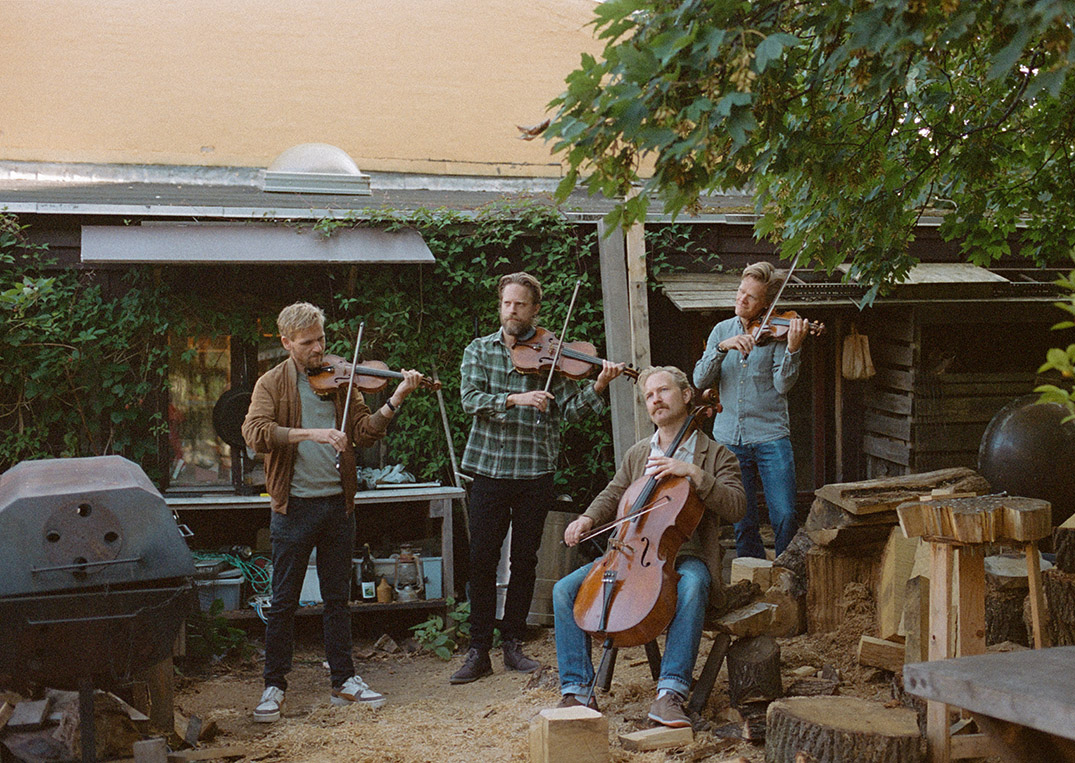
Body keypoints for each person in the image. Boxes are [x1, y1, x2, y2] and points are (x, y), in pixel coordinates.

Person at [242, 301, 426, 723]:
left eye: (321, 339)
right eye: (308, 342)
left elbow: (362, 431)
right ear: (287, 342)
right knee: (284, 602)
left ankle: (344, 681)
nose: (318, 349)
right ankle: (274, 686)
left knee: (337, 601)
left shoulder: (342, 380)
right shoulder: (271, 384)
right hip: (293, 509)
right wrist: (313, 434)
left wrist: (396, 397)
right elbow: (255, 434)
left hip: (337, 508)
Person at [451, 272, 626, 684]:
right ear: (501, 306)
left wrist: (599, 385)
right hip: (490, 471)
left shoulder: (554, 355)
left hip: (535, 471)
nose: (512, 311)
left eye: (521, 305)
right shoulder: (479, 350)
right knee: (480, 561)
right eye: (507, 304)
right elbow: (470, 400)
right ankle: (478, 650)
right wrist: (516, 398)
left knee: (524, 561)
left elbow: (571, 412)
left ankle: (512, 643)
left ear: (535, 310)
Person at [552, 366, 745, 727]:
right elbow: (614, 491)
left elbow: (737, 506)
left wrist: (694, 473)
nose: (655, 399)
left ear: (687, 395)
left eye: (663, 391)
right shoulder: (640, 452)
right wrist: (587, 519)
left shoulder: (717, 456)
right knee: (565, 590)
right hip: (629, 551)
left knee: (693, 583)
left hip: (686, 554)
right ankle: (577, 689)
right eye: (649, 396)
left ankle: (670, 693)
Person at [692, 261, 808, 558]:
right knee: (742, 519)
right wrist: (722, 348)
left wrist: (793, 349)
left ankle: (785, 574)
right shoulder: (721, 331)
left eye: (751, 297)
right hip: (730, 438)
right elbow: (699, 380)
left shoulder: (777, 334)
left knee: (783, 514)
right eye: (741, 291)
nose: (741, 299)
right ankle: (751, 577)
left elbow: (783, 385)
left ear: (765, 304)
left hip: (770, 436)